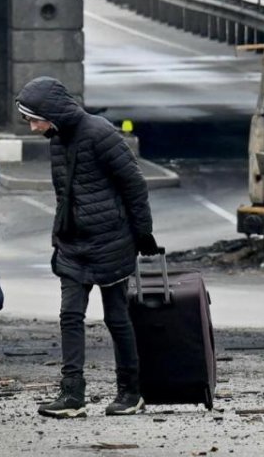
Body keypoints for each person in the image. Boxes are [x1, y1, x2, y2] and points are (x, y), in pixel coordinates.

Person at [14, 76, 158, 418]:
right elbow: (65, 196)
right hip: (74, 245)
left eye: (35, 119)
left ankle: (130, 391)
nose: (33, 127)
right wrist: (58, 235)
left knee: (117, 317)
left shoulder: (100, 132)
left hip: (110, 242)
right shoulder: (57, 140)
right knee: (70, 316)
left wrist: (143, 234)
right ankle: (72, 395)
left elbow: (134, 185)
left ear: (52, 113)